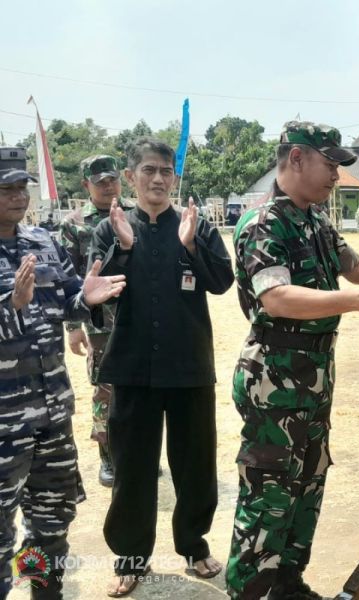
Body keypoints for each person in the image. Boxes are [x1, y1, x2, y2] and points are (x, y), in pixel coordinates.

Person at [226, 121, 359, 600]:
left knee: (307, 484)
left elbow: (355, 266)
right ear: (296, 157)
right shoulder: (264, 223)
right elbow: (276, 298)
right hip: (273, 377)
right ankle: (252, 591)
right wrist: (355, 301)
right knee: (270, 492)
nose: (337, 176)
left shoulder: (314, 219)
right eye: (330, 164)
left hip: (313, 377)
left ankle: (288, 583)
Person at [90, 138, 234, 597]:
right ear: (130, 178)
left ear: (174, 178)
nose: (157, 179)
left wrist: (191, 246)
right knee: (133, 466)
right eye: (148, 170)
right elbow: (96, 290)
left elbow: (222, 281)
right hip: (132, 368)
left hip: (189, 366)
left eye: (165, 172)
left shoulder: (195, 225)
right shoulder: (111, 228)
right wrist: (126, 250)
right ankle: (131, 557)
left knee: (195, 463)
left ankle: (193, 544)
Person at [0, 147, 126, 599]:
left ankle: (43, 591)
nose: (18, 197)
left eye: (22, 187)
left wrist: (86, 299)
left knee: (50, 524)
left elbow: (67, 298)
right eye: (6, 188)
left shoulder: (43, 242)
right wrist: (10, 310)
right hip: (3, 427)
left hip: (52, 417)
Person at [60, 154, 132, 487]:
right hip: (100, 322)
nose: (108, 186)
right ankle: (108, 458)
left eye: (112, 180)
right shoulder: (74, 223)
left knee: (141, 390)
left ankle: (136, 454)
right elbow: (67, 278)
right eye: (100, 181)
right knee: (106, 390)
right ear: (86, 184)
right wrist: (73, 327)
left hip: (138, 319)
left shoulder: (138, 214)